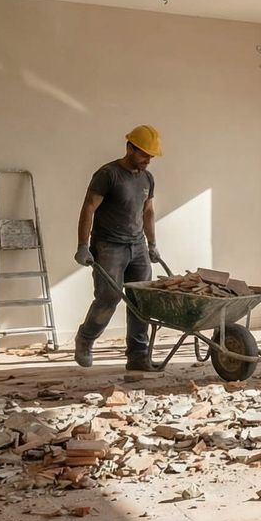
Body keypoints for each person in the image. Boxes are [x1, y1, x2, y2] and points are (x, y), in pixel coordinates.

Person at [73, 125, 165, 372]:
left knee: (141, 300)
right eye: (144, 154)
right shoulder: (108, 174)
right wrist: (83, 245)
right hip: (109, 246)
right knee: (109, 297)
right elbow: (88, 208)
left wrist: (153, 244)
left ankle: (137, 355)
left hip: (138, 246)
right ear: (129, 148)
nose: (148, 160)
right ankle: (86, 338)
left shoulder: (147, 178)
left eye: (151, 156)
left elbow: (148, 212)